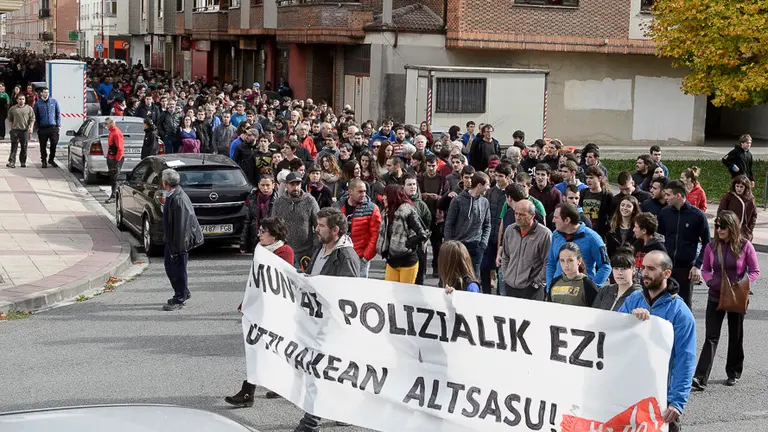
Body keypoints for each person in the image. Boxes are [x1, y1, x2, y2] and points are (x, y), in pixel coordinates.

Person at [619, 250, 696, 432]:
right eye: (643, 267)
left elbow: (685, 360)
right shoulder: (633, 300)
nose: (644, 272)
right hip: (629, 392)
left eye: (651, 268)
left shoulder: (681, 313)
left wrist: (677, 402)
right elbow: (612, 335)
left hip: (661, 399)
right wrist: (628, 319)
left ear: (667, 273)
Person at [226, 216, 294, 407]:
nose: (259, 234)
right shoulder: (262, 250)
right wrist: (246, 303)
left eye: (263, 231)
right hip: (259, 307)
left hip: (275, 309)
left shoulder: (284, 251)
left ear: (274, 234)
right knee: (260, 349)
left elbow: (278, 281)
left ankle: (249, 391)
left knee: (264, 349)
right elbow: (254, 281)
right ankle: (267, 387)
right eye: (259, 231)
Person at [693, 210, 760, 390]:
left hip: (737, 296)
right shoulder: (711, 246)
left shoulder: (745, 245)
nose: (719, 229)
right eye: (717, 225)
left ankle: (733, 372)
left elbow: (754, 270)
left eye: (723, 226)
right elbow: (706, 269)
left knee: (735, 336)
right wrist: (710, 281)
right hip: (715, 295)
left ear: (731, 227)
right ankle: (700, 377)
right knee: (711, 337)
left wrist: (744, 283)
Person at [658, 180, 710, 307]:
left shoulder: (697, 216)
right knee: (663, 303)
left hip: (686, 268)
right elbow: (659, 237)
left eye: (668, 195)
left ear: (678, 195)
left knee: (684, 305)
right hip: (667, 266)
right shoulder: (665, 213)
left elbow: (707, 243)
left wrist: (697, 265)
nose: (665, 198)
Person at [160, 169, 204, 311]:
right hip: (173, 241)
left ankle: (180, 297)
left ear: (165, 182)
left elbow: (181, 226)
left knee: (177, 270)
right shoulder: (173, 195)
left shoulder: (178, 199)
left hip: (177, 243)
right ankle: (183, 291)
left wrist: (176, 249)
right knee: (170, 268)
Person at [546, 203, 611, 290]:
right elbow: (551, 263)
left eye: (556, 217)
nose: (553, 220)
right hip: (558, 290)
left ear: (567, 220)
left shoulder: (592, 238)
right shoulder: (556, 235)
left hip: (581, 293)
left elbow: (605, 266)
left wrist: (591, 288)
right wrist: (549, 287)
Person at [376, 184, 429, 284]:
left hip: (407, 262)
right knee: (390, 294)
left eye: (385, 195)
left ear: (392, 196)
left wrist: (407, 244)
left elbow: (423, 234)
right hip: (391, 261)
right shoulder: (386, 213)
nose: (383, 197)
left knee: (404, 296)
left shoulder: (406, 211)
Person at [499, 200, 551, 299]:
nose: (518, 217)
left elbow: (548, 262)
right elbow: (505, 256)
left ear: (532, 215)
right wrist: (506, 276)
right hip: (510, 286)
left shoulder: (544, 234)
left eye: (522, 214)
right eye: (516, 213)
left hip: (532, 289)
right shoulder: (510, 230)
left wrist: (537, 283)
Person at [443, 172, 492, 277]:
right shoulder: (457, 201)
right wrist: (450, 245)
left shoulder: (485, 202)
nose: (488, 188)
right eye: (487, 185)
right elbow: (449, 225)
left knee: (473, 280)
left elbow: (487, 225)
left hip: (476, 248)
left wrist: (483, 244)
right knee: (455, 279)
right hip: (458, 246)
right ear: (479, 185)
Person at [333, 178, 382, 278]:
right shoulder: (337, 207)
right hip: (340, 255)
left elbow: (376, 234)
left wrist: (366, 256)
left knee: (359, 289)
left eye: (364, 191)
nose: (363, 194)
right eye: (360, 191)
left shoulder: (372, 209)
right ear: (350, 192)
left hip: (360, 257)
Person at [271, 172, 320, 271]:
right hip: (285, 251)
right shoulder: (279, 202)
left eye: (298, 184)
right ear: (286, 185)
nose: (296, 187)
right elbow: (274, 226)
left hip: (305, 252)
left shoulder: (310, 201)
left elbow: (319, 226)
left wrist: (315, 246)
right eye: (292, 184)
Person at [418, 154, 450, 277]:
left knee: (437, 245)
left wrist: (437, 197)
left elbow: (446, 197)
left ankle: (436, 267)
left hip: (437, 216)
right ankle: (422, 268)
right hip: (424, 216)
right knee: (422, 244)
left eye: (433, 166)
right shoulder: (420, 179)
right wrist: (423, 196)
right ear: (425, 166)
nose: (431, 168)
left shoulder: (443, 180)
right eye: (429, 166)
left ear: (437, 166)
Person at [548, 242, 599, 307]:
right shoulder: (554, 282)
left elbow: (596, 311)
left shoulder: (587, 284)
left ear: (579, 261)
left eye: (570, 260)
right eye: (562, 260)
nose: (566, 265)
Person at [404, 174, 432, 285]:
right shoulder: (399, 202)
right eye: (409, 184)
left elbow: (428, 223)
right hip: (403, 245)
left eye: (414, 184)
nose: (412, 187)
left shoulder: (422, 205)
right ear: (403, 186)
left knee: (419, 277)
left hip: (419, 246)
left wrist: (425, 239)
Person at [240, 175, 277, 254]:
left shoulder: (278, 200)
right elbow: (246, 221)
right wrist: (243, 242)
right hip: (255, 237)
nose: (265, 188)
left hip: (272, 238)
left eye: (268, 185)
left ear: (273, 185)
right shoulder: (252, 199)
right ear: (258, 185)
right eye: (262, 185)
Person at [717, 175, 757, 241]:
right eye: (737, 186)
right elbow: (721, 213)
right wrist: (723, 228)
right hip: (729, 230)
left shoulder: (750, 199)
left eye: (741, 187)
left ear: (746, 187)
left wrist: (750, 229)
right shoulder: (729, 197)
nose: (739, 189)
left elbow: (754, 215)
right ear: (734, 186)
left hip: (744, 232)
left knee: (743, 250)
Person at [632, 212, 667, 284]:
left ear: (644, 231)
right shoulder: (637, 244)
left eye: (636, 227)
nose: (633, 230)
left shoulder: (659, 249)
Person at [579, 166, 613, 238]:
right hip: (584, 230)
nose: (588, 180)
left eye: (591, 178)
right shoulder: (583, 193)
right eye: (587, 178)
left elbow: (611, 215)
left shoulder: (607, 195)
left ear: (600, 178)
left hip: (599, 233)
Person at [33, 87, 61, 168]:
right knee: (43, 145)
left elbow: (58, 113)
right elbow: (35, 115)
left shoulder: (54, 101)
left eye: (47, 92)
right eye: (44, 92)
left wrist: (58, 124)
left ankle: (51, 159)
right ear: (41, 93)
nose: (46, 94)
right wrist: (37, 127)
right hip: (43, 128)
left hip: (53, 127)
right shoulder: (38, 103)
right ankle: (44, 161)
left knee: (54, 143)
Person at [6, 94, 35, 168]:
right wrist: (11, 129)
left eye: (23, 99)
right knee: (14, 147)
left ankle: (23, 162)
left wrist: (31, 128)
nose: (21, 101)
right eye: (20, 99)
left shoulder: (29, 108)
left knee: (24, 147)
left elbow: (32, 119)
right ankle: (12, 162)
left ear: (25, 100)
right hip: (15, 130)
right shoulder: (13, 109)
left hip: (24, 130)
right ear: (17, 100)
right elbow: (10, 119)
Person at [104, 118, 124, 204]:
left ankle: (114, 196)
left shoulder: (116, 133)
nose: (106, 125)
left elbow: (120, 148)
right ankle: (114, 195)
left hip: (115, 159)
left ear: (112, 123)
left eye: (107, 123)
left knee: (115, 178)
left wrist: (116, 160)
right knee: (113, 177)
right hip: (112, 157)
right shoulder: (112, 131)